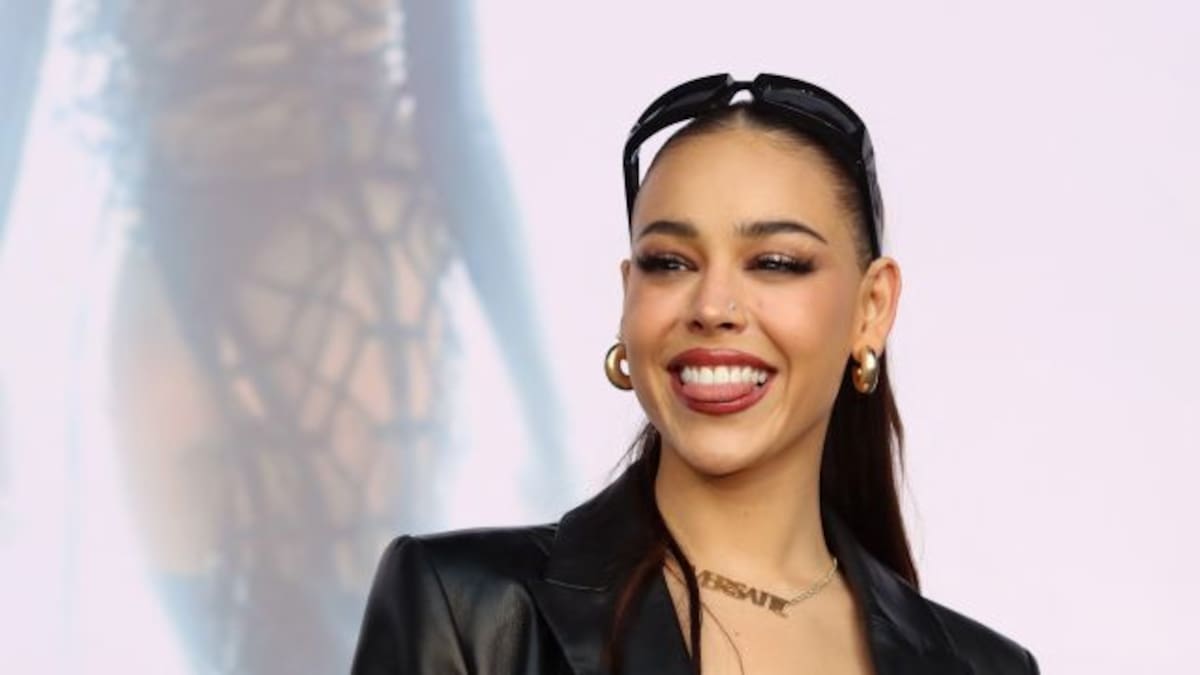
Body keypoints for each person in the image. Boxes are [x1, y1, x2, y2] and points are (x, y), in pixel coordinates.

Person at [349, 73, 1040, 674]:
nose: (712, 306)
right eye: (670, 262)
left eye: (775, 262)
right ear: (629, 298)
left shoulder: (984, 667)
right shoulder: (464, 607)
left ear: (872, 308)